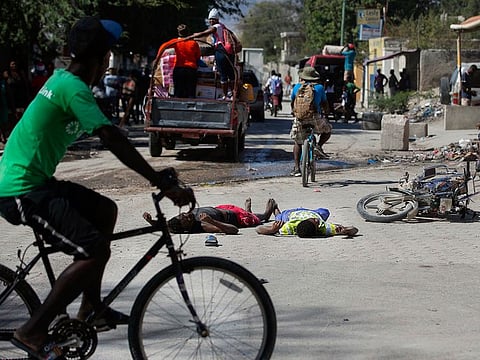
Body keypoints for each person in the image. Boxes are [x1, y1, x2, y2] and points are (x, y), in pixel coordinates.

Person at [0, 16, 195, 360]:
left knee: (106, 210)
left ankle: (92, 311)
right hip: (21, 191)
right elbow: (111, 136)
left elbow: (109, 135)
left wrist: (155, 173)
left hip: (33, 181)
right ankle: (32, 331)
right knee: (94, 250)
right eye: (108, 54)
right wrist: (157, 180)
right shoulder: (72, 88)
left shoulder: (65, 81)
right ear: (103, 58)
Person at [290, 67, 331, 177]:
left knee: (298, 141)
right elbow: (325, 103)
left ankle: (297, 168)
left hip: (300, 118)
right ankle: (319, 146)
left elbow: (292, 102)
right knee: (328, 130)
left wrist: (294, 113)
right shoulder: (319, 87)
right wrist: (326, 113)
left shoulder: (297, 87)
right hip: (314, 117)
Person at [162, 198, 277, 234]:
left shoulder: (178, 221)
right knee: (260, 219)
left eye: (183, 214)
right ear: (186, 228)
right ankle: (267, 212)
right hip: (237, 218)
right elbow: (234, 230)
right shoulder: (203, 225)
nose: (188, 215)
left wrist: (151, 221)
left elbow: (165, 226)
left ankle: (248, 211)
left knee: (250, 215)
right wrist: (212, 221)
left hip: (222, 208)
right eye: (186, 219)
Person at [191, 8, 237, 100]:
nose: (211, 21)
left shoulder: (216, 27)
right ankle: (233, 95)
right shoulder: (223, 26)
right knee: (231, 74)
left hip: (221, 51)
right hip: (229, 52)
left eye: (213, 19)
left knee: (223, 75)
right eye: (210, 19)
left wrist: (193, 36)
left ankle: (225, 96)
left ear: (217, 19)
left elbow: (206, 33)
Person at [255, 205, 358, 238]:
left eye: (314, 221)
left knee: (279, 219)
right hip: (311, 211)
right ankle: (275, 209)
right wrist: (345, 230)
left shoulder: (289, 227)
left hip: (290, 215)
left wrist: (272, 229)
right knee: (324, 212)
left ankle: (276, 210)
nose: (316, 220)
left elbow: (258, 229)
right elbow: (355, 230)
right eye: (316, 222)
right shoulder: (323, 228)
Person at [167, 24, 201, 98]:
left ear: (178, 33)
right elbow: (198, 56)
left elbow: (163, 47)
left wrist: (157, 58)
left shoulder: (175, 41)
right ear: (188, 32)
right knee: (190, 92)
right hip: (191, 70)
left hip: (179, 69)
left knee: (178, 92)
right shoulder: (194, 43)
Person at [0, 69, 14, 143]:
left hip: (4, 106)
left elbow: (9, 95)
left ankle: (5, 136)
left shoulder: (3, 83)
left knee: (5, 122)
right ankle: (2, 137)